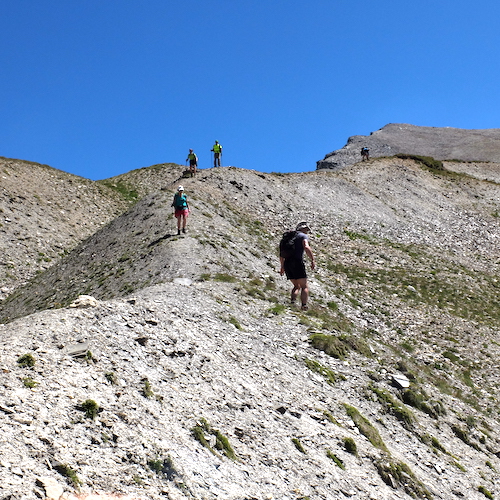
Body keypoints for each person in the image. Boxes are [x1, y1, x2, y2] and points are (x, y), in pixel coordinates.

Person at [279, 222, 315, 311]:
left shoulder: (288, 237)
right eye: (306, 230)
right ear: (303, 229)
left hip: (287, 263)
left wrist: (282, 266)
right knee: (304, 286)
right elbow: (306, 247)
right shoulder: (303, 236)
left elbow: (281, 254)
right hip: (297, 262)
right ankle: (304, 305)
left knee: (296, 285)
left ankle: (292, 302)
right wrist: (312, 260)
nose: (307, 232)